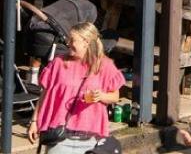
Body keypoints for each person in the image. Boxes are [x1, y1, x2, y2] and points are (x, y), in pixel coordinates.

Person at [28, 21, 124, 154]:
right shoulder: (59, 63)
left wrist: (101, 96)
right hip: (59, 137)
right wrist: (34, 121)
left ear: (86, 42)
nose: (68, 43)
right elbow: (44, 94)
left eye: (72, 40)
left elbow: (115, 96)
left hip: (90, 139)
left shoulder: (104, 66)